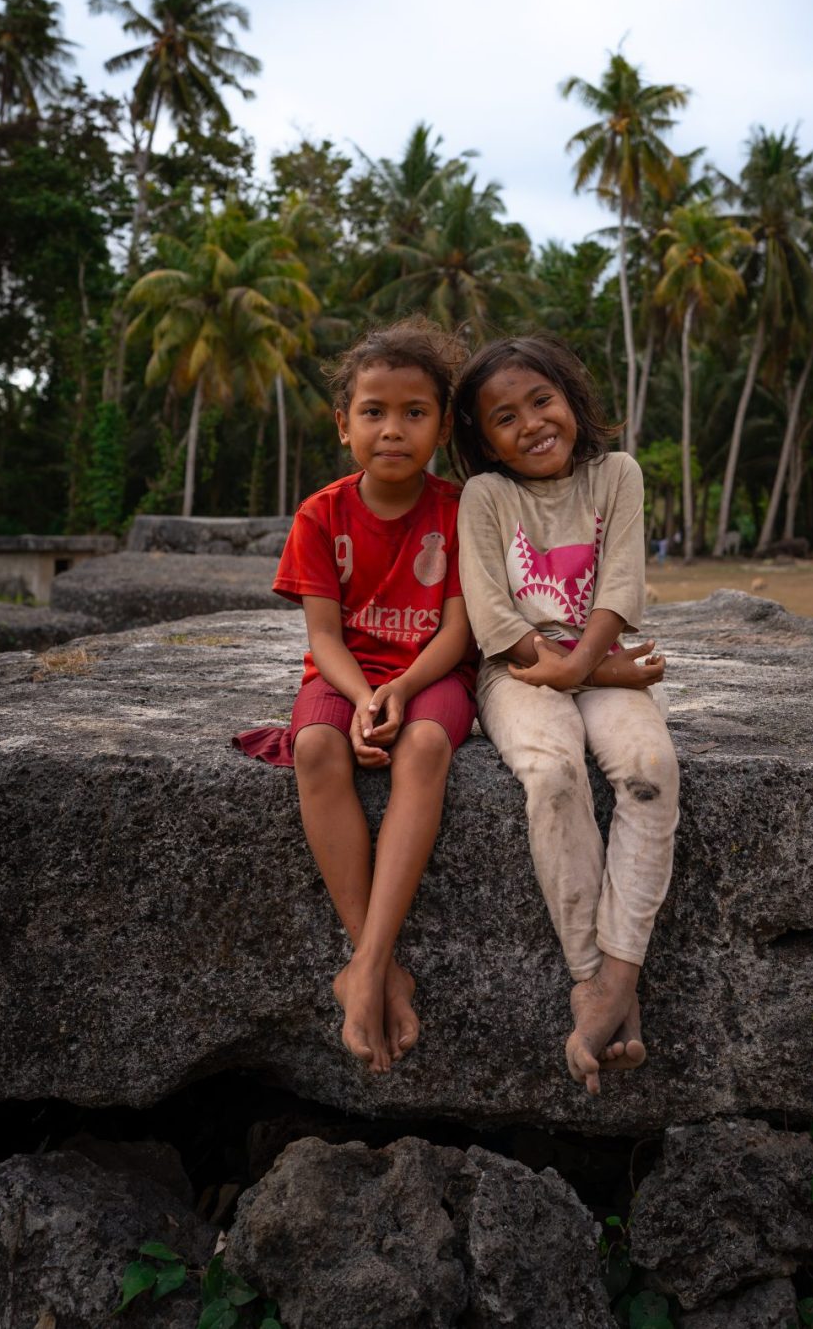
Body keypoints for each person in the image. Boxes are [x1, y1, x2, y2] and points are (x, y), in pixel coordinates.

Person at [233, 319, 476, 1075]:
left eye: (415, 412)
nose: (393, 429)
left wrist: (401, 691)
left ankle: (364, 967)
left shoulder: (462, 511)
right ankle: (377, 963)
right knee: (314, 745)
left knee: (428, 746)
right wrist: (366, 695)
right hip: (346, 675)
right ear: (344, 425)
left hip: (431, 675)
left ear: (440, 425)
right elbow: (325, 638)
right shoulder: (322, 515)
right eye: (373, 412)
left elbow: (459, 633)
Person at [452, 335, 680, 1097]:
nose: (530, 424)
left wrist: (588, 666)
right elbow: (490, 611)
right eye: (504, 418)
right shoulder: (487, 498)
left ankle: (617, 978)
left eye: (541, 401)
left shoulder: (616, 475)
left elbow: (620, 581)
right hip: (517, 669)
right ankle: (595, 977)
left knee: (649, 770)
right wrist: (583, 667)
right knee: (552, 775)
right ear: (483, 441)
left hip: (597, 654)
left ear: (571, 398)